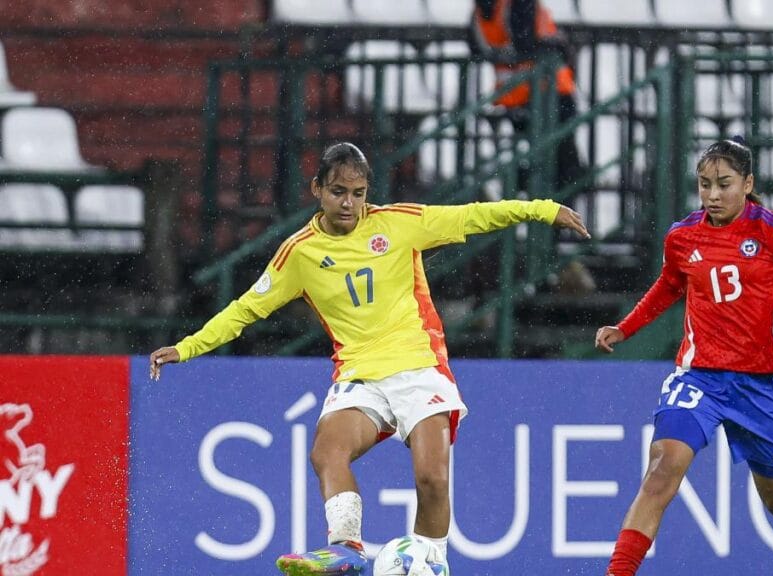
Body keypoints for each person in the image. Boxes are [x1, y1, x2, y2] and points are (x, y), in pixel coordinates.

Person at [149, 142, 590, 575]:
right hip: (360, 375)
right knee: (326, 452)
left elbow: (472, 216)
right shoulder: (300, 253)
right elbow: (245, 309)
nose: (349, 203)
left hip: (419, 365)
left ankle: (432, 562)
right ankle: (346, 549)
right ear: (317, 189)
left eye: (358, 193)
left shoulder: (398, 223)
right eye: (338, 191)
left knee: (432, 479)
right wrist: (188, 347)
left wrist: (542, 209)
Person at [594, 137, 773, 576]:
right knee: (662, 470)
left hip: (761, 383)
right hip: (699, 376)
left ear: (748, 184)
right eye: (705, 184)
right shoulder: (683, 236)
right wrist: (625, 327)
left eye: (724, 184)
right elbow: (668, 286)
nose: (712, 195)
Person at [470, 0, 584, 193]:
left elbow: (477, 49)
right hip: (548, 93)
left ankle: (532, 192)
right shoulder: (515, 4)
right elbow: (526, 43)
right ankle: (554, 201)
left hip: (517, 98)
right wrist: (560, 45)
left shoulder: (482, 11)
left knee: (545, 162)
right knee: (561, 166)